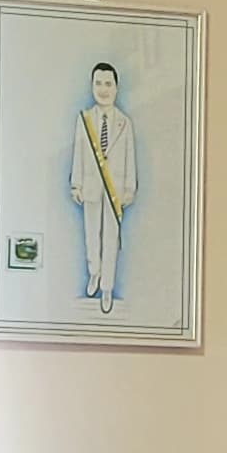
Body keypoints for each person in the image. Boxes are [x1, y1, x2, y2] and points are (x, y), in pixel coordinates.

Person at [69, 60, 138, 307]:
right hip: (90, 186)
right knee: (91, 235)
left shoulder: (124, 122)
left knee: (111, 238)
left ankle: (107, 286)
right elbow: (78, 153)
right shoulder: (85, 119)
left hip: (115, 190)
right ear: (92, 86)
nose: (103, 89)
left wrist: (129, 188)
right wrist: (76, 184)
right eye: (98, 83)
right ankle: (94, 272)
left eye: (108, 84)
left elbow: (130, 156)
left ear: (116, 88)